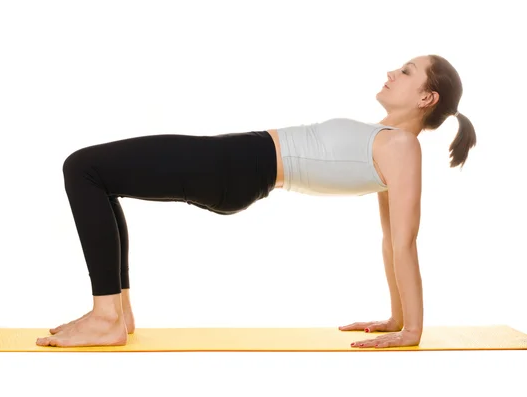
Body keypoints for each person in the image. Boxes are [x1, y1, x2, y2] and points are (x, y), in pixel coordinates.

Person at [36, 54, 476, 348]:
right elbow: (389, 240)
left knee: (83, 168)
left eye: (406, 71)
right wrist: (396, 320)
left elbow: (403, 242)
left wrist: (411, 329)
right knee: (100, 177)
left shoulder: (400, 146)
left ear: (426, 97)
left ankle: (105, 315)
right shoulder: (390, 141)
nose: (391, 73)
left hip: (233, 166)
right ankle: (119, 314)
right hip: (235, 163)